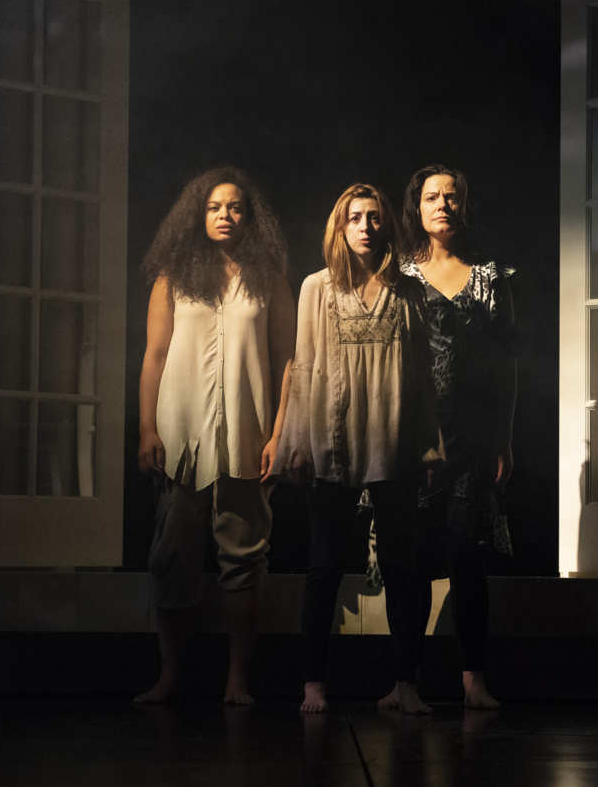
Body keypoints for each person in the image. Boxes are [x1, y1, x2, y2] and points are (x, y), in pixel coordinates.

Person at [267, 183, 434, 715]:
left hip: (393, 436)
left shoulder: (408, 291)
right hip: (332, 437)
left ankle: (405, 682)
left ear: (387, 225)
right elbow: (304, 365)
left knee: (403, 565)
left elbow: (422, 375)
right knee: (324, 566)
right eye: (355, 217)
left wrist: (429, 446)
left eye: (375, 217)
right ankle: (313, 681)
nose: (365, 226)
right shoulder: (316, 288)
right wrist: (296, 439)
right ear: (340, 227)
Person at [134, 166, 295, 706]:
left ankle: (237, 681)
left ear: (250, 218)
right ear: (197, 215)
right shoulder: (173, 275)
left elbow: (286, 360)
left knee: (244, 560)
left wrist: (278, 434)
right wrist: (147, 429)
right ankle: (170, 676)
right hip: (181, 437)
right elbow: (154, 356)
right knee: (173, 556)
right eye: (214, 207)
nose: (224, 216)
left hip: (249, 437)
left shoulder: (268, 277)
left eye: (234, 208)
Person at [398, 163, 516, 710]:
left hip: (471, 438)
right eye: (431, 197)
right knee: (415, 557)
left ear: (463, 206)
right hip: (417, 437)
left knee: (467, 557)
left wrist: (504, 439)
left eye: (450, 196)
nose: (441, 204)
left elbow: (507, 366)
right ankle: (405, 680)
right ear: (417, 209)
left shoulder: (490, 277)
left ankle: (474, 679)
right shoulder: (399, 277)